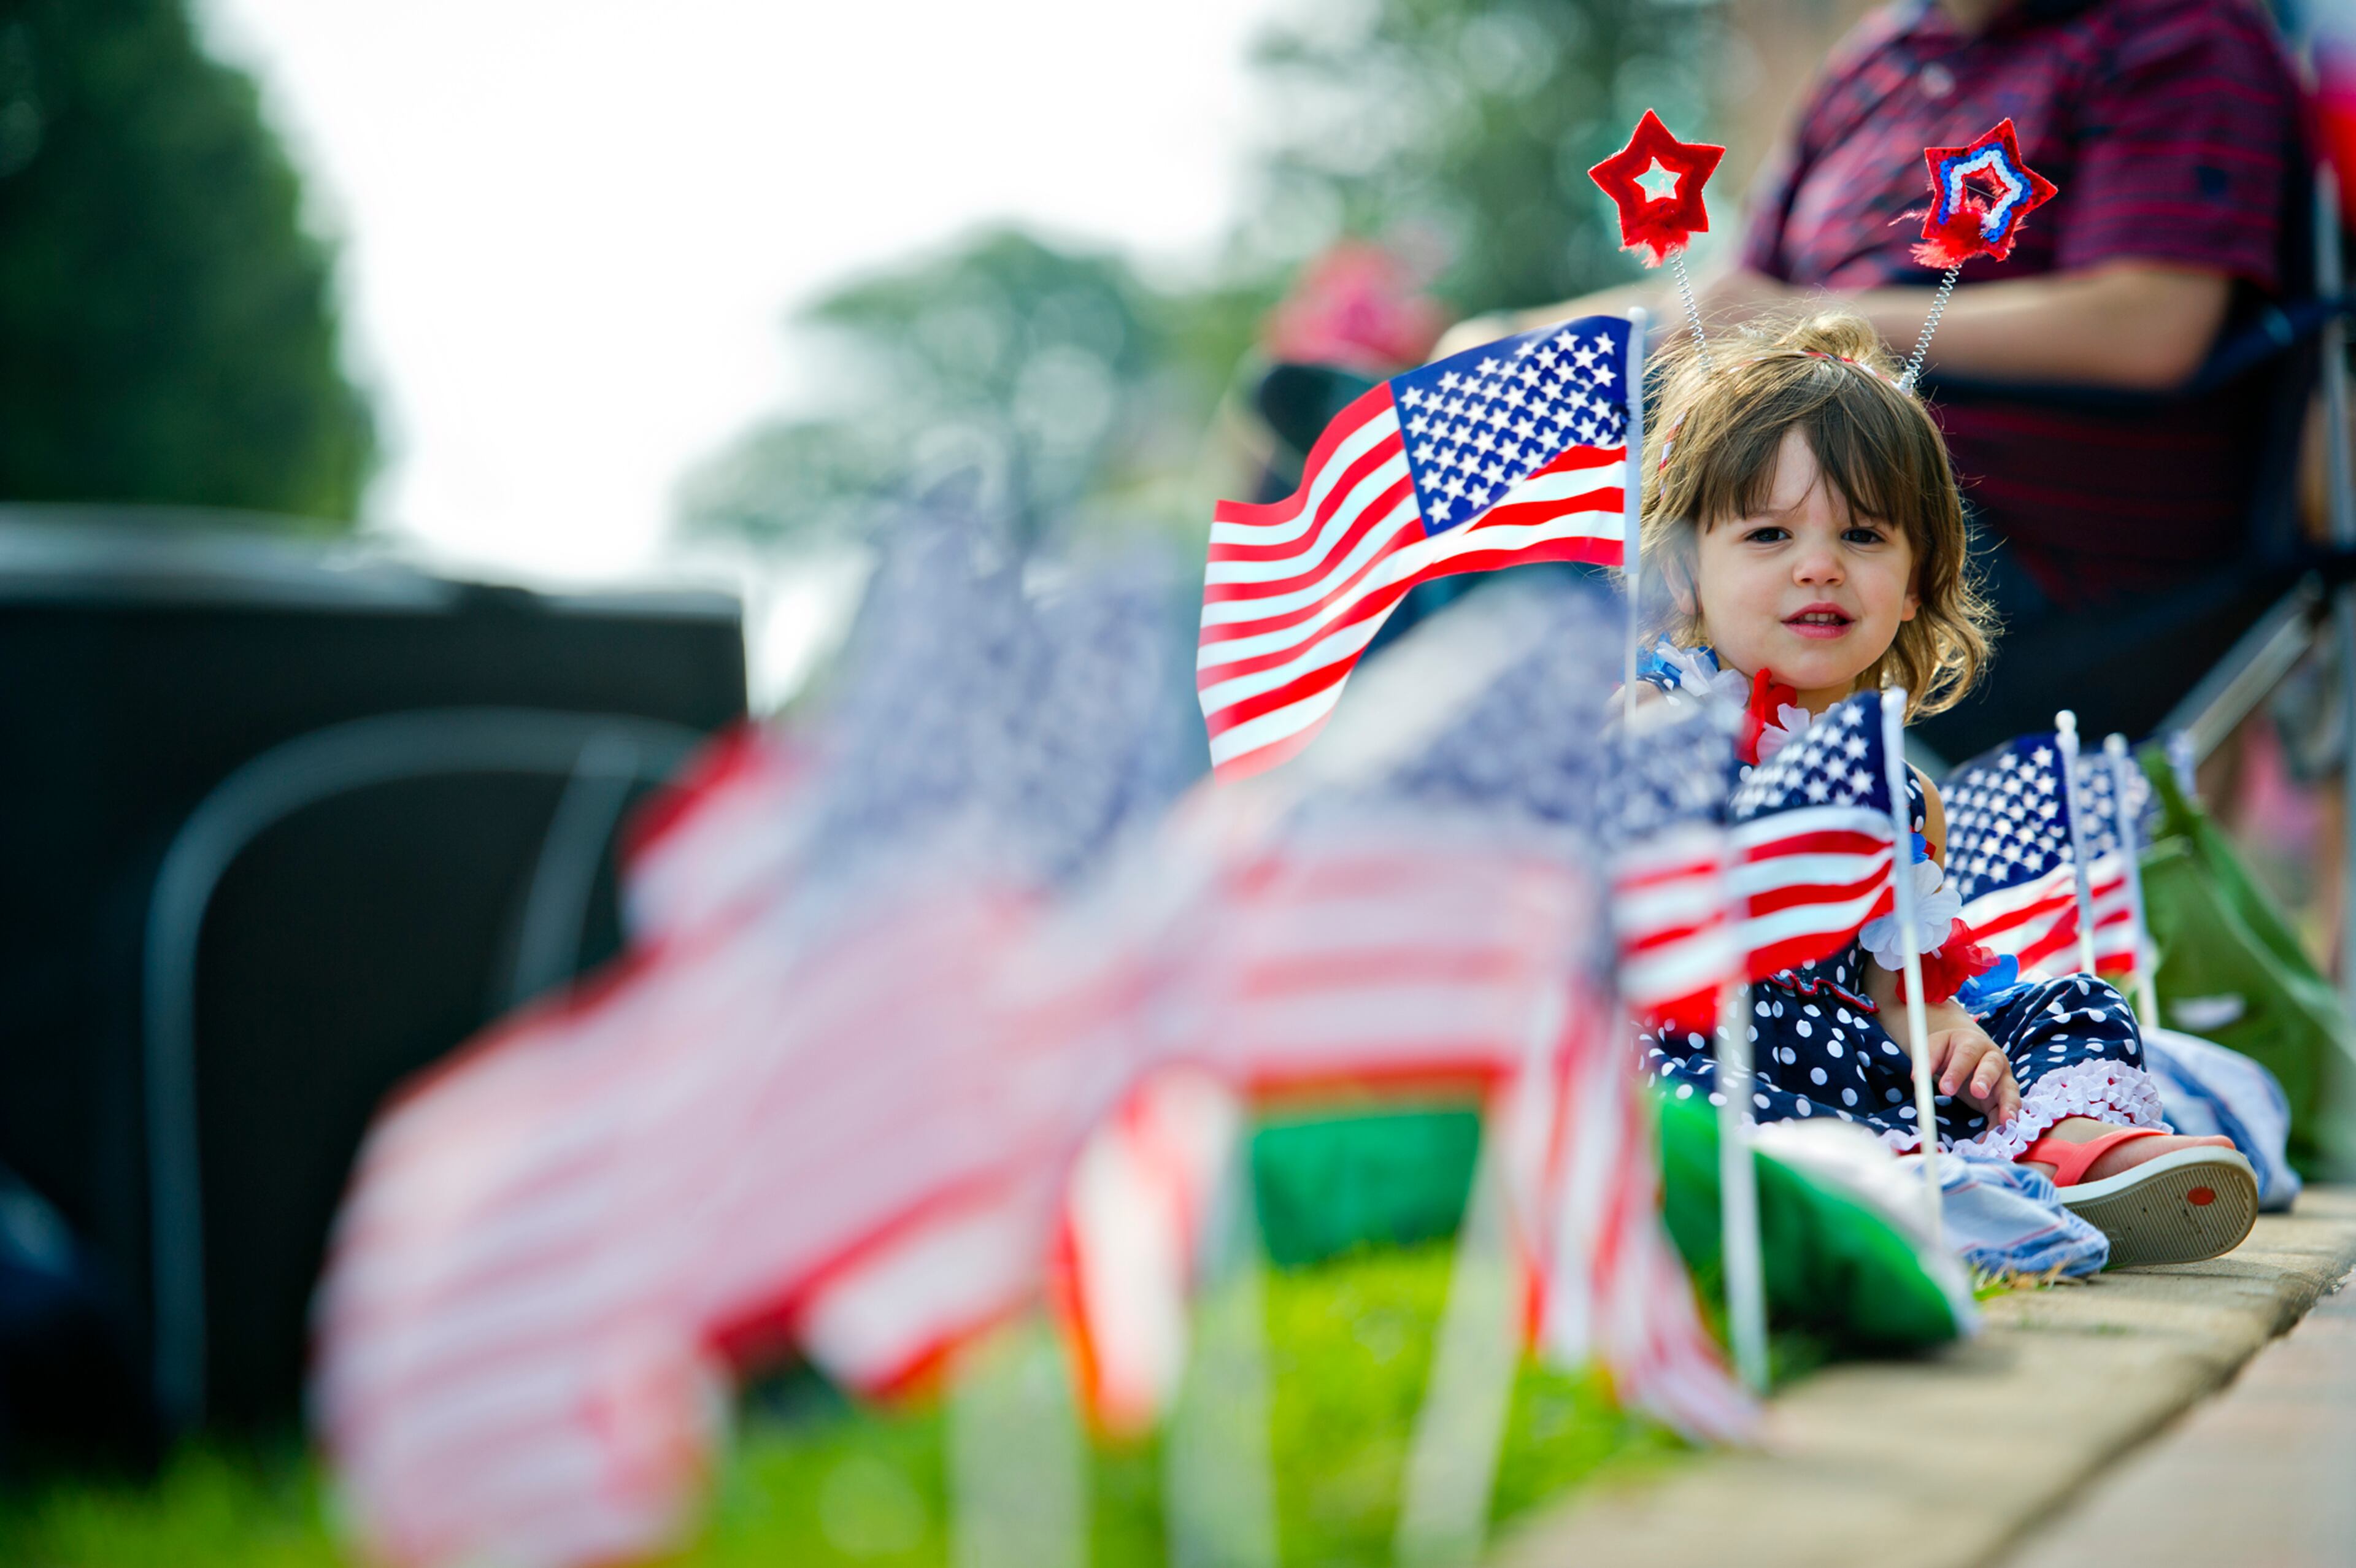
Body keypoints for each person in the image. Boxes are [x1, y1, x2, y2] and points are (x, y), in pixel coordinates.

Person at [1446, 0, 2311, 753]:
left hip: (2042, 565)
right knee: (1487, 449)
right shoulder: (1875, 61)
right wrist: (1517, 335)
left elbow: (2151, 325)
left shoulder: (2175, 32)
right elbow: (1733, 307)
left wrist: (1823, 317)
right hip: (1806, 466)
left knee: (1523, 500)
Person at [1629, 310, 2260, 1266]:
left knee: (2066, 1001)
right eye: (1767, 533)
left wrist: (1944, 1026)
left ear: (1917, 576)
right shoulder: (1659, 721)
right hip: (1720, 1044)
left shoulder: (1904, 794)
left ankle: (2063, 1148)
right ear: (1684, 576)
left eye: (1863, 534)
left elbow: (1899, 989)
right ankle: (1891, 1188)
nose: (1818, 565)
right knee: (1690, 1067)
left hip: (1859, 1059)